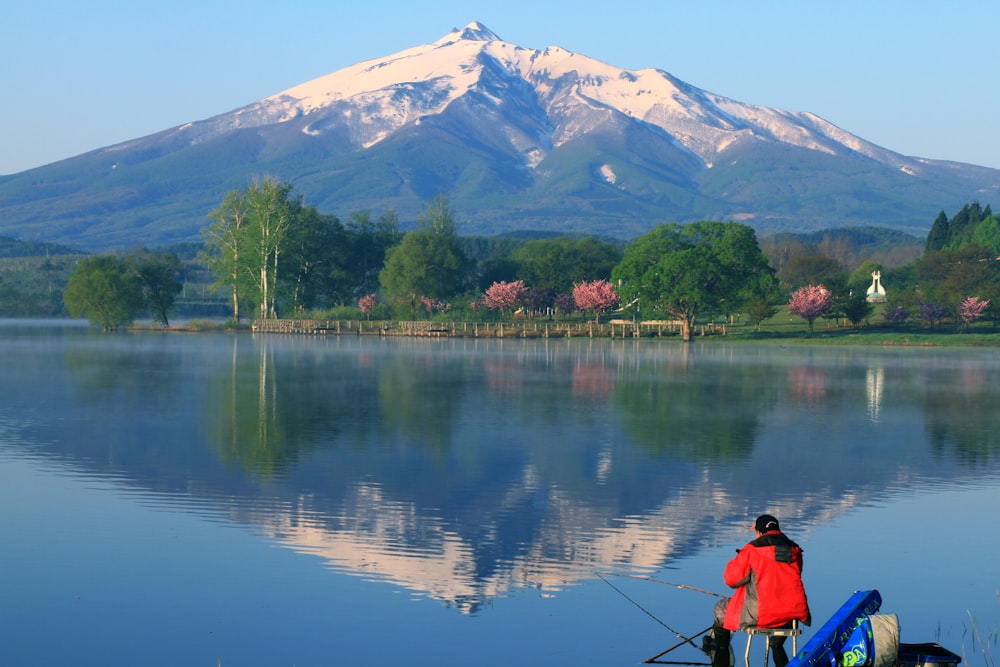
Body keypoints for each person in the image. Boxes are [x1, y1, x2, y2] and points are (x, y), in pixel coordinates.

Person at [702, 515, 811, 667]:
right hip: (791, 615)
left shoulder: (752, 550)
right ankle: (776, 646)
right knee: (780, 631)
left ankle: (721, 652)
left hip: (759, 615)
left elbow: (731, 580)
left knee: (720, 609)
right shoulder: (795, 550)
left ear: (759, 532)